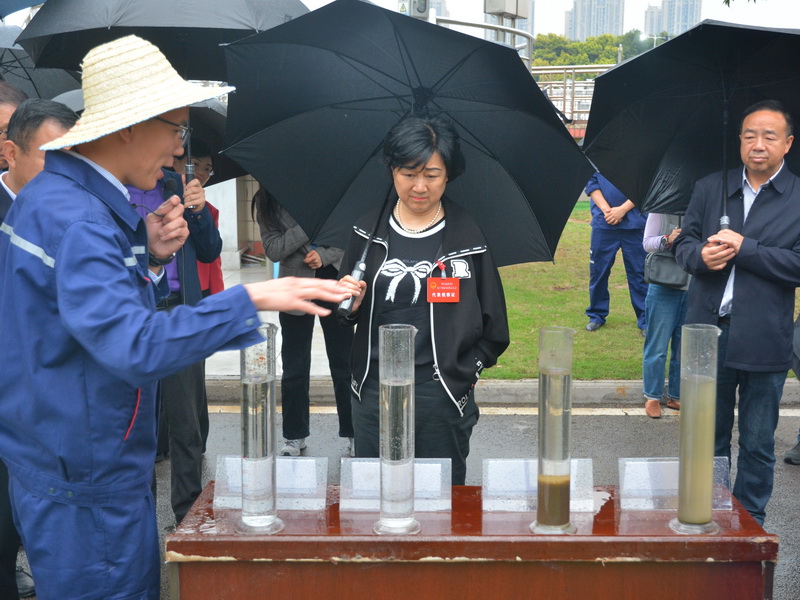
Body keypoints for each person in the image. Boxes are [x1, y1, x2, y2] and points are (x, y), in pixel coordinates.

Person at [0, 35, 352, 600]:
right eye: (175, 129)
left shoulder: (56, 198)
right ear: (129, 125)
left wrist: (146, 250)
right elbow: (133, 346)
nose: (180, 150)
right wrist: (250, 299)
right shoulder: (81, 221)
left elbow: (69, 311)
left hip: (68, 458)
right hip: (88, 478)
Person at [338, 115, 509, 486]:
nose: (419, 186)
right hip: (373, 392)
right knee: (374, 495)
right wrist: (349, 308)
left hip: (440, 395)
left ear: (448, 175)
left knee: (441, 502)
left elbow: (495, 329)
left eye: (431, 175)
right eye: (408, 173)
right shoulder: (367, 233)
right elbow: (346, 311)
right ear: (392, 171)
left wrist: (462, 376)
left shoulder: (468, 238)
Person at [673, 99, 800, 526]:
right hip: (707, 332)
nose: (757, 144)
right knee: (705, 437)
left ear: (787, 143)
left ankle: (750, 526)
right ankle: (707, 516)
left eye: (768, 136)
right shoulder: (712, 187)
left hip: (765, 335)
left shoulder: (798, 196)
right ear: (739, 141)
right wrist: (698, 256)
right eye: (749, 135)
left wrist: (747, 250)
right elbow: (683, 241)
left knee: (759, 440)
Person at [0, 98, 77, 600]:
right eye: (51, 155)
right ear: (10, 152)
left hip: (45, 403)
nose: (62, 170)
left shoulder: (71, 212)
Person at [127, 144, 220, 526]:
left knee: (187, 423)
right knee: (138, 425)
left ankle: (187, 513)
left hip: (181, 312)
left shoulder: (176, 186)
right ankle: (140, 515)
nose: (175, 151)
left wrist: (197, 210)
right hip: (134, 314)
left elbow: (210, 250)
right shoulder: (115, 188)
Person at [254, 187, 355, 457]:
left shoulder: (328, 191)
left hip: (334, 280)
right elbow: (273, 250)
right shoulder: (267, 201)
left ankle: (353, 432)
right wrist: (305, 226)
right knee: (295, 366)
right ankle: (294, 436)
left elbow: (351, 235)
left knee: (344, 363)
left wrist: (326, 254)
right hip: (294, 287)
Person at [584, 172, 648, 336]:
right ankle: (596, 315)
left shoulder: (639, 157)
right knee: (598, 272)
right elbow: (592, 185)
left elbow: (645, 185)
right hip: (603, 223)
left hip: (635, 224)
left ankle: (644, 319)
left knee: (639, 273)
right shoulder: (596, 156)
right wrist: (608, 211)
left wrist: (622, 210)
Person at [641, 213, 688, 418]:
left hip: (694, 284)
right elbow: (647, 243)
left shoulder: (706, 207)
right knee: (657, 344)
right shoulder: (660, 209)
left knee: (683, 344)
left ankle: (676, 395)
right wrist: (668, 239)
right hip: (663, 283)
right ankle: (652, 396)